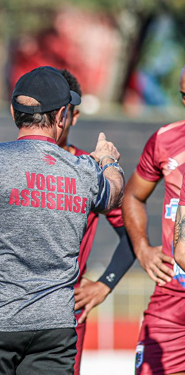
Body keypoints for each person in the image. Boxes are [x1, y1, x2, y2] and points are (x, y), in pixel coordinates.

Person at [0, 66, 124, 375]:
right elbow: (113, 194)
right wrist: (108, 160)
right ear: (62, 115)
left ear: (13, 112)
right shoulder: (83, 169)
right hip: (54, 328)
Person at [57, 69, 136, 375]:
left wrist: (106, 284)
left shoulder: (89, 172)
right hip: (5, 315)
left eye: (60, 111)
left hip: (67, 314)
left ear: (72, 115)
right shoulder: (2, 164)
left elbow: (133, 233)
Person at [123, 64, 185, 375]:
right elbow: (133, 196)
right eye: (184, 96)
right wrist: (143, 249)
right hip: (173, 296)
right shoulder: (165, 139)